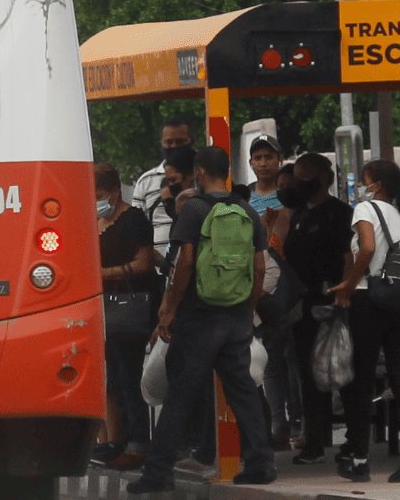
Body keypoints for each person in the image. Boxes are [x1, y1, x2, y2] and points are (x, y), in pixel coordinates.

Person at [126, 147, 276, 494]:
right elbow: (259, 267)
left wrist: (170, 309)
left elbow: (185, 264)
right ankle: (260, 464)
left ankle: (158, 472)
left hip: (198, 318)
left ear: (198, 173)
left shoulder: (193, 210)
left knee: (179, 395)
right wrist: (246, 307)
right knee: (243, 393)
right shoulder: (247, 211)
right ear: (226, 172)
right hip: (236, 318)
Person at [329, 159, 400, 483]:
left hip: (370, 300)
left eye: (365, 181)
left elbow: (368, 247)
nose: (362, 186)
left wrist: (348, 284)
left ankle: (359, 460)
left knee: (361, 380)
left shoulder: (365, 209)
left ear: (376, 184)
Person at [280, 153, 354, 465]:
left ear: (323, 178)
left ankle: (354, 439)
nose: (297, 183)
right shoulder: (297, 214)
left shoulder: (338, 214)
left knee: (339, 370)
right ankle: (315, 440)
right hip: (302, 304)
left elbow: (348, 255)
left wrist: (345, 292)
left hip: (330, 302)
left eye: (303, 177)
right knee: (309, 374)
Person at [92, 163, 157, 470]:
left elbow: (144, 263)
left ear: (115, 191)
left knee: (130, 377)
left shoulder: (133, 220)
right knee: (113, 378)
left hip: (128, 307)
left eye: (99, 194)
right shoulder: (96, 220)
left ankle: (139, 443)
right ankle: (117, 441)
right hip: (103, 310)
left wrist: (103, 274)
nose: (95, 200)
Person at [258, 163, 303, 452]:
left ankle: (299, 423)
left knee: (296, 363)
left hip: (299, 300)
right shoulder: (270, 218)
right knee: (273, 363)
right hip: (274, 300)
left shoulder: (306, 218)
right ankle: (279, 425)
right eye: (281, 186)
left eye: (291, 185)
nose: (285, 190)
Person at [132, 119, 195, 258]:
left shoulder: (203, 176)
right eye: (169, 142)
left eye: (180, 142)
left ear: (191, 141)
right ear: (161, 144)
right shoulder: (146, 181)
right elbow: (136, 229)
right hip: (159, 268)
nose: (174, 147)